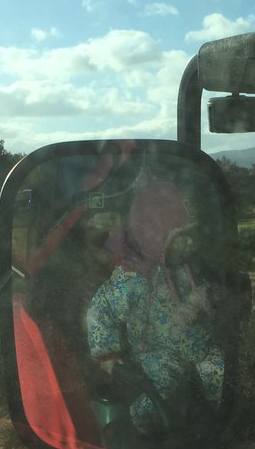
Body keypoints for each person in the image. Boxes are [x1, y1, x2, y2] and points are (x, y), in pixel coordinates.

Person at [85, 179, 224, 435]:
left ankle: (214, 419)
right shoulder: (134, 280)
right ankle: (141, 432)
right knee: (158, 388)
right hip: (158, 354)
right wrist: (107, 354)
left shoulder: (184, 269)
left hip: (199, 349)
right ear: (156, 237)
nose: (190, 244)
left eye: (190, 237)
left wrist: (207, 301)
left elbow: (200, 299)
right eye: (181, 238)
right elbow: (100, 309)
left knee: (220, 371)